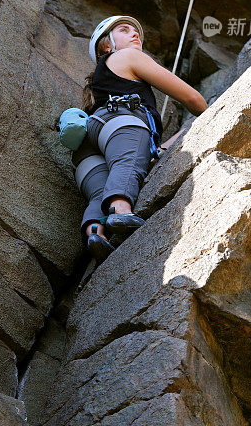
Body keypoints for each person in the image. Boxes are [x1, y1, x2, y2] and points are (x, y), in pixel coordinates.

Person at [72, 15, 208, 262]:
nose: (135, 34)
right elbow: (193, 100)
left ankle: (96, 233)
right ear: (106, 45)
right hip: (120, 126)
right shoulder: (127, 57)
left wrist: (188, 130)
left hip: (88, 146)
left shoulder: (99, 89)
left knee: (100, 192)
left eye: (136, 32)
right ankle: (121, 211)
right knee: (128, 162)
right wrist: (215, 113)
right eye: (125, 30)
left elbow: (152, 151)